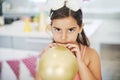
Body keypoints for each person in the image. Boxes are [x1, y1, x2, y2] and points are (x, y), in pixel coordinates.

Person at [36, 0, 102, 80]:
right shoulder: (46, 53)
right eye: (57, 29)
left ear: (80, 28)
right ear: (51, 28)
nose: (63, 37)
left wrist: (80, 63)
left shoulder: (91, 55)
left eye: (70, 30)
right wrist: (45, 59)